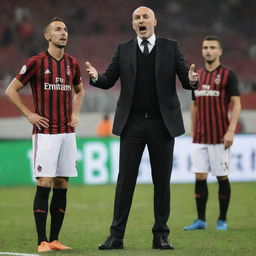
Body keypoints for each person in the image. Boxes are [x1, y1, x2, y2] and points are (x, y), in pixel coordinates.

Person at [86, 6, 199, 250]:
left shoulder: (171, 47)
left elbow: (186, 79)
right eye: (137, 18)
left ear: (154, 21)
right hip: (132, 124)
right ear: (133, 25)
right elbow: (108, 80)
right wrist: (95, 77)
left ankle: (161, 236)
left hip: (162, 124)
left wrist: (192, 81)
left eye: (145, 16)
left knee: (162, 182)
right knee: (125, 181)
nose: (141, 20)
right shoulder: (123, 49)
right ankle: (116, 236)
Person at [5, 17, 85, 252]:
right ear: (47, 36)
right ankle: (41, 241)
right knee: (45, 181)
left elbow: (79, 91)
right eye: (58, 30)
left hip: (67, 133)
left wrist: (77, 112)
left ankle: (55, 239)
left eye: (66, 29)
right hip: (46, 132)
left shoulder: (73, 63)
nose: (63, 33)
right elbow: (11, 90)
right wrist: (28, 114)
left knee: (62, 183)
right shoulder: (36, 62)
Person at [183, 35, 241, 231]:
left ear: (219, 51)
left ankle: (222, 220)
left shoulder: (227, 75)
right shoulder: (197, 75)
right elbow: (194, 104)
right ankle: (201, 220)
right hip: (200, 137)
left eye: (212, 47)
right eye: (205, 47)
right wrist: (192, 127)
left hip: (219, 136)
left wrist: (231, 131)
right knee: (200, 176)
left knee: (221, 177)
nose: (208, 50)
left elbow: (237, 103)